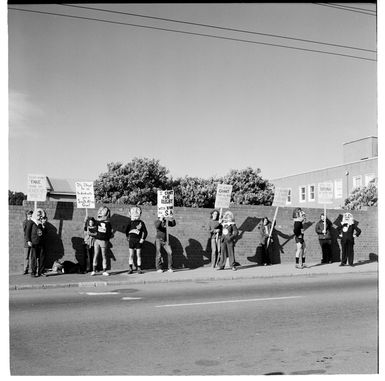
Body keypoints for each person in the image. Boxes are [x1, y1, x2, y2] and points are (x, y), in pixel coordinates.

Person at [91, 206, 113, 276]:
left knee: (104, 255)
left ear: (107, 215)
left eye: (102, 211)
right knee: (96, 255)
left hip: (103, 241)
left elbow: (109, 233)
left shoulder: (108, 224)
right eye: (99, 211)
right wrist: (87, 221)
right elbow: (91, 225)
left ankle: (104, 270)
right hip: (97, 240)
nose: (100, 212)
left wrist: (109, 237)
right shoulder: (97, 222)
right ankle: (94, 270)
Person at [125, 206, 148, 274]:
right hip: (131, 240)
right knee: (131, 254)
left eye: (137, 211)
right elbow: (126, 231)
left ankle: (139, 268)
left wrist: (142, 239)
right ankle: (130, 268)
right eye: (133, 211)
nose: (135, 212)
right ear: (130, 213)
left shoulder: (141, 222)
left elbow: (145, 232)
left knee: (138, 254)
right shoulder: (129, 222)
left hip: (138, 240)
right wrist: (127, 237)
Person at [25, 208, 46, 277]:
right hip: (34, 242)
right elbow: (27, 232)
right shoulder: (31, 222)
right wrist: (28, 240)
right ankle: (33, 272)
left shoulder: (40, 223)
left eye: (40, 215)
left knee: (42, 258)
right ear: (35, 214)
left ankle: (41, 271)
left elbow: (43, 233)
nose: (39, 216)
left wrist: (43, 226)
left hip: (41, 243)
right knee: (33, 258)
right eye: (38, 214)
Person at [22, 210, 33, 274]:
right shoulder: (25, 222)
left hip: (33, 241)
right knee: (26, 256)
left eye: (31, 214)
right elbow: (25, 230)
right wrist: (29, 221)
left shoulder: (33, 222)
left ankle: (32, 269)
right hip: (26, 242)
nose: (30, 215)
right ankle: (25, 269)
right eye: (29, 214)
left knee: (32, 256)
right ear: (26, 215)